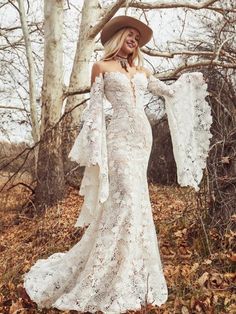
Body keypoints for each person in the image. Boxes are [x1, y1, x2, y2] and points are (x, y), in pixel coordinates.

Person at [23, 16, 212, 313]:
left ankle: (133, 269)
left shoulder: (142, 71)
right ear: (119, 36)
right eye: (130, 34)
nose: (134, 40)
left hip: (142, 141)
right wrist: (96, 152)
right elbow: (95, 111)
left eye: (138, 37)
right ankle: (107, 271)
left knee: (137, 202)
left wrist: (190, 83)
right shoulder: (101, 68)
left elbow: (169, 93)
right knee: (123, 198)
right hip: (119, 140)